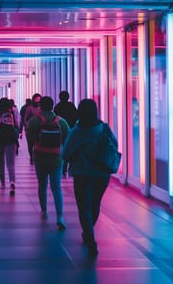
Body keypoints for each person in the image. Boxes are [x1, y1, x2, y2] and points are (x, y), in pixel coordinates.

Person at [62, 99, 116, 257]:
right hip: (101, 174)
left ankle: (89, 236)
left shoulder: (76, 132)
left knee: (84, 207)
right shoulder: (103, 128)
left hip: (82, 174)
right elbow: (114, 145)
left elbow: (66, 153)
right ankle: (88, 231)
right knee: (95, 205)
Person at [26, 96, 69, 231]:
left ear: (40, 106)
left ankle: (44, 210)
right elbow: (68, 136)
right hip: (56, 158)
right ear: (52, 106)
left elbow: (29, 137)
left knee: (42, 185)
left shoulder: (36, 121)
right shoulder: (61, 122)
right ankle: (60, 216)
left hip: (40, 156)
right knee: (57, 188)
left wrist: (31, 152)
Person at [0, 98, 19, 195]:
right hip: (11, 139)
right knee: (11, 163)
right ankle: (12, 182)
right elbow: (18, 125)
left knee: (0, 162)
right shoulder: (13, 112)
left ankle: (2, 182)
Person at [24, 93, 42, 164]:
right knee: (30, 144)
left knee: (39, 143)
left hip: (40, 128)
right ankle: (32, 156)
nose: (37, 101)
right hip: (30, 129)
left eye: (39, 100)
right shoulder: (29, 108)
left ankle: (37, 156)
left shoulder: (41, 108)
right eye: (36, 99)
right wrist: (27, 125)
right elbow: (26, 117)